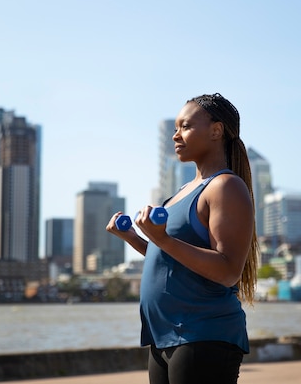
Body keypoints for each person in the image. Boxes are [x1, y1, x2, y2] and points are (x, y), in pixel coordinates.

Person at [106, 93, 259, 384]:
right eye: (175, 128)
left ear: (216, 131)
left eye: (185, 127)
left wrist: (162, 240)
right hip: (164, 336)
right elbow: (170, 258)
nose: (175, 136)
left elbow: (228, 271)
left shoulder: (226, 187)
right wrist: (135, 239)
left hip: (203, 334)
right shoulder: (180, 193)